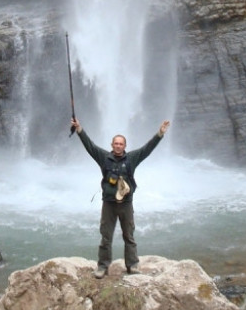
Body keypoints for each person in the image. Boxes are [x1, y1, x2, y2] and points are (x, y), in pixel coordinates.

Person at [71, 117, 171, 278]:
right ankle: (102, 267)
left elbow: (147, 149)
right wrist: (79, 130)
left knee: (129, 236)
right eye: (115, 143)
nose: (118, 146)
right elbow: (90, 146)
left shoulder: (132, 158)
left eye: (121, 144)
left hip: (126, 204)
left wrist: (160, 134)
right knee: (106, 236)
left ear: (125, 146)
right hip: (109, 204)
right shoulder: (104, 157)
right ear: (112, 145)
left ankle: (132, 265)